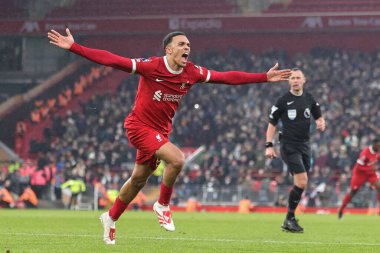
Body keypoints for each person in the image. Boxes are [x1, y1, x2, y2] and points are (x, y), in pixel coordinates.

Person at [48, 28, 291, 245]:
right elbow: (113, 60)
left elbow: (226, 77)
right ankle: (162, 204)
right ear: (169, 49)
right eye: (182, 44)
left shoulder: (192, 72)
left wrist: (263, 77)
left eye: (188, 45)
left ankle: (110, 218)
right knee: (177, 159)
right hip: (138, 126)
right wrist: (75, 47)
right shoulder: (151, 66)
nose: (187, 48)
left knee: (138, 181)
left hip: (160, 131)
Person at [265, 68, 326, 233]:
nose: (295, 80)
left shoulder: (309, 98)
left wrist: (320, 120)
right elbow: (272, 124)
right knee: (301, 181)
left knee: (302, 182)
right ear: (289, 81)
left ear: (304, 80)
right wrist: (269, 145)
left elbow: (317, 112)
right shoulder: (282, 101)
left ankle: (289, 219)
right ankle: (289, 219)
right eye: (292, 78)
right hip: (289, 145)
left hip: (305, 145)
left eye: (298, 78)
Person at [338, 138, 380, 219]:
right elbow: (359, 167)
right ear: (374, 145)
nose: (379, 147)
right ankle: (341, 209)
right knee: (353, 192)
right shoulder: (365, 153)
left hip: (370, 173)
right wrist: (370, 168)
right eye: (378, 146)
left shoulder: (377, 151)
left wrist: (375, 167)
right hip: (359, 173)